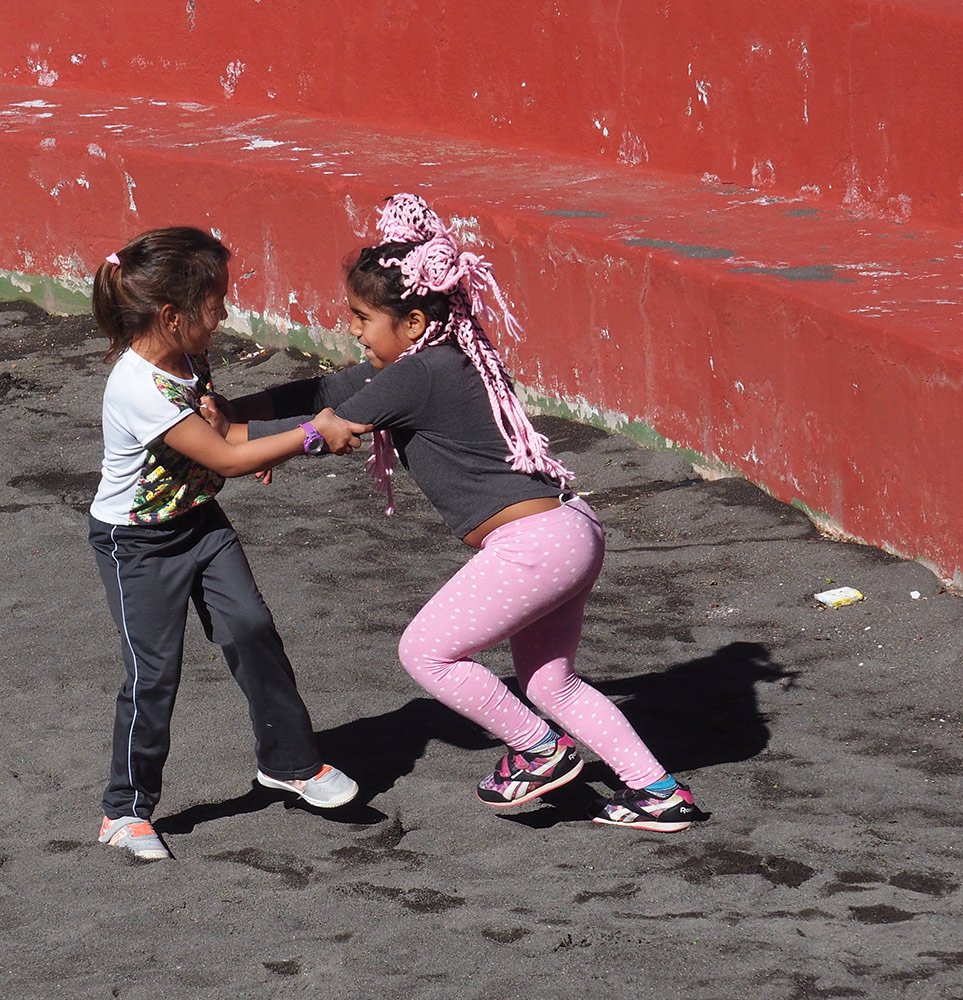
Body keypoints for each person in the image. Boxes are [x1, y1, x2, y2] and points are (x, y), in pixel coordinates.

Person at [220, 194, 698, 833]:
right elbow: (322, 392)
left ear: (413, 321)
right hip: (570, 529)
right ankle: (655, 791)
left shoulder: (418, 375)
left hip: (532, 544)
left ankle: (539, 749)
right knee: (553, 684)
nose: (355, 332)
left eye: (362, 319)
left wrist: (235, 443)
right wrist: (232, 414)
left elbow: (331, 423)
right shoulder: (443, 360)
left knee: (427, 652)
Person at [87, 226, 369, 860]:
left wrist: (256, 438)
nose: (224, 311)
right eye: (216, 300)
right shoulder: (138, 386)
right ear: (171, 314)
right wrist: (307, 435)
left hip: (200, 524)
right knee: (153, 674)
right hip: (137, 545)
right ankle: (124, 811)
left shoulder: (188, 358)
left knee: (250, 629)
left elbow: (220, 426)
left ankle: (290, 763)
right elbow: (221, 454)